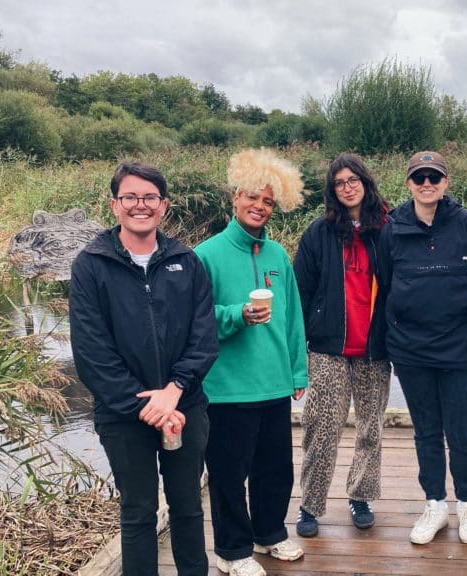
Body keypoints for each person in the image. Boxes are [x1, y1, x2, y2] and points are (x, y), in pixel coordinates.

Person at [70, 162, 218, 576]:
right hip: (123, 416)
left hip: (185, 407)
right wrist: (144, 406)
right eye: (131, 197)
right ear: (115, 205)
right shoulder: (91, 265)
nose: (141, 205)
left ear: (164, 206)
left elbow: (203, 336)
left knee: (188, 505)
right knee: (138, 513)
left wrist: (174, 390)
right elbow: (91, 351)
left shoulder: (186, 262)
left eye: (149, 197)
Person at [193, 148, 308, 576]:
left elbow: (292, 317)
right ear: (235, 197)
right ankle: (231, 550)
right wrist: (237, 315)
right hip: (226, 387)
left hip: (275, 383)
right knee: (227, 473)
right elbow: (196, 322)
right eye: (252, 198)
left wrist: (297, 370)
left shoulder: (278, 256)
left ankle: (269, 534)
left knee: (275, 469)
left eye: (268, 201)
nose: (259, 207)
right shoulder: (205, 255)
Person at [377, 151, 467, 545]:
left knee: (462, 433)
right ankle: (435, 505)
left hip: (461, 350)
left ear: (446, 182)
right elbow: (386, 285)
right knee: (426, 432)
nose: (427, 184)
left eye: (435, 177)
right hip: (411, 352)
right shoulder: (391, 230)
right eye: (419, 177)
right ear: (408, 183)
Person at [293, 153, 391, 537]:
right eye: (339, 182)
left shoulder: (388, 229)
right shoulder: (319, 232)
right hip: (327, 348)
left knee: (371, 429)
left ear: (365, 183)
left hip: (374, 350)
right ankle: (310, 505)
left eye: (353, 180)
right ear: (332, 191)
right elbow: (300, 290)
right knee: (322, 427)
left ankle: (361, 496)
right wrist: (297, 346)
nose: (347, 187)